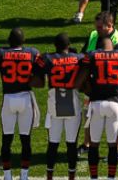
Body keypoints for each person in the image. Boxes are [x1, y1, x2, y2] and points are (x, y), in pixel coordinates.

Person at [77, 34, 118, 180]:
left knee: (94, 145)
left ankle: (94, 178)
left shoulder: (92, 56)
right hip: (114, 105)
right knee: (112, 146)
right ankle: (111, 178)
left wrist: (89, 90)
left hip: (96, 104)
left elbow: (78, 83)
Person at [0, 28, 40, 180]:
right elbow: (39, 80)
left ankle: (7, 175)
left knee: (6, 139)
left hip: (9, 99)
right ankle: (24, 176)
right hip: (25, 98)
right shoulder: (32, 53)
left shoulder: (1, 53)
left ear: (9, 40)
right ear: (23, 42)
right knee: (26, 140)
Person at [39, 34, 84, 180]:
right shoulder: (78, 58)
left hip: (55, 104)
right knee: (72, 145)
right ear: (69, 44)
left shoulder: (48, 58)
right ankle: (71, 176)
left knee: (53, 143)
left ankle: (49, 176)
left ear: (55, 45)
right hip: (73, 104)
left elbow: (37, 68)